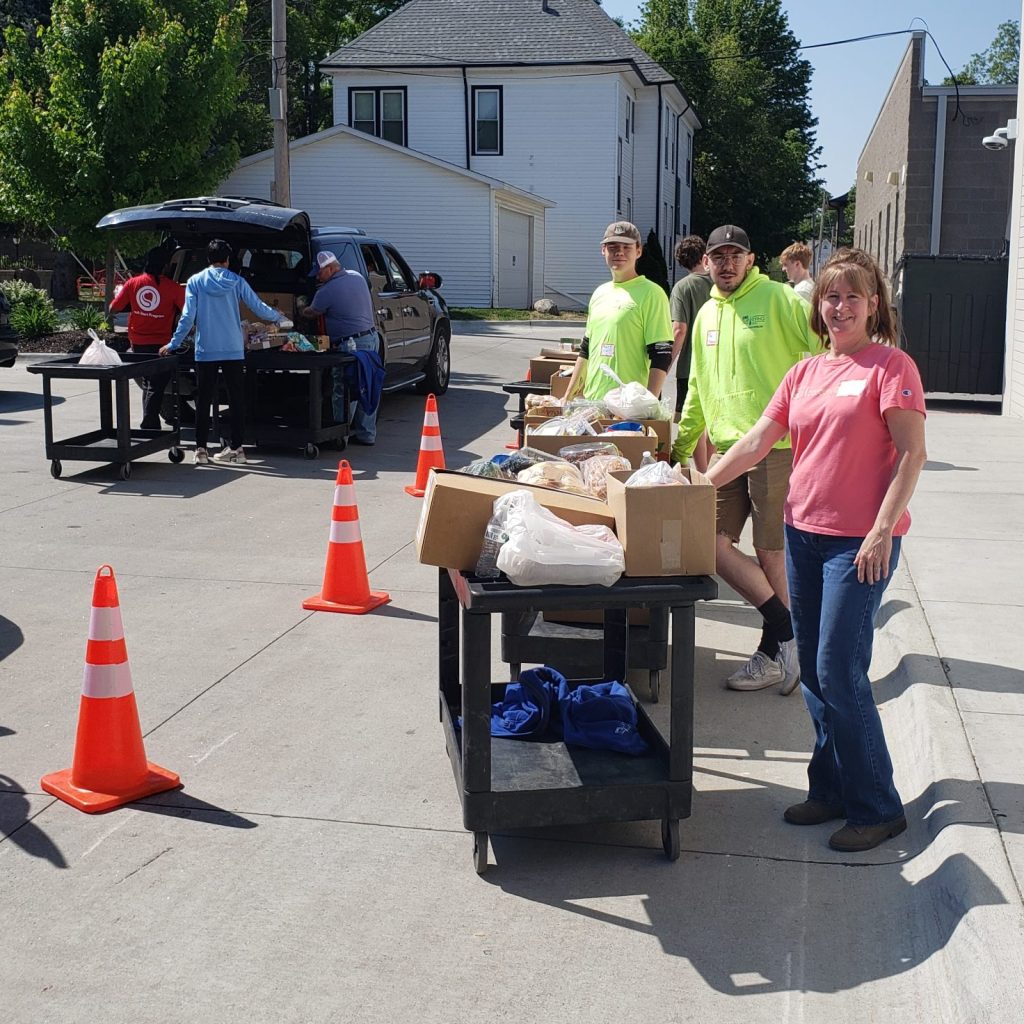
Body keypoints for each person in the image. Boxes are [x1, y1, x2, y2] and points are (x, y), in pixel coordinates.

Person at [705, 249, 926, 852]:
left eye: (853, 296)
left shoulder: (891, 366)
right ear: (818, 306)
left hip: (860, 544)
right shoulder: (804, 372)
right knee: (814, 674)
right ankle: (830, 789)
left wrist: (882, 529)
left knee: (838, 669)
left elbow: (911, 454)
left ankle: (878, 805)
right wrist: (699, 487)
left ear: (873, 303)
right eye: (831, 296)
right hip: (803, 534)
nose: (840, 306)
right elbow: (757, 440)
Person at [674, 225, 820, 694]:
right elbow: (697, 387)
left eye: (735, 255)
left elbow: (825, 351)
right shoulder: (707, 314)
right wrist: (679, 449)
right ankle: (786, 633)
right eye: (719, 256)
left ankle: (774, 653)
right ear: (707, 262)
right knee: (707, 542)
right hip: (725, 450)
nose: (727, 263)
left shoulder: (780, 299)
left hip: (776, 448)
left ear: (751, 258)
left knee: (770, 552)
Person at [159, 238, 291, 465]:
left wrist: (173, 343)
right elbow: (257, 306)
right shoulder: (237, 281)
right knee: (236, 399)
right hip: (232, 348)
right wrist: (280, 318)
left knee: (203, 399)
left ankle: (201, 449)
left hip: (206, 348)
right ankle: (237, 448)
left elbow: (188, 316)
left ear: (208, 259)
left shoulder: (195, 282)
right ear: (228, 260)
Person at [563, 221, 673, 403]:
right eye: (612, 246)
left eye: (626, 247)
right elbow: (586, 350)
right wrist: (567, 397)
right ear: (603, 251)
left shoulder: (652, 293)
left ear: (639, 251)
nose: (619, 252)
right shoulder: (599, 293)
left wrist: (647, 405)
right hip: (594, 401)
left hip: (630, 406)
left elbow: (661, 354)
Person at [299, 250, 381, 446]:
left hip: (349, 344)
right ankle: (366, 434)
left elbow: (311, 312)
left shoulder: (327, 290)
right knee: (367, 385)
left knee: (343, 388)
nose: (317, 277)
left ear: (329, 269)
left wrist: (300, 307)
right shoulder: (357, 276)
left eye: (319, 273)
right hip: (370, 339)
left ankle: (339, 434)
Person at [109, 248, 185, 430]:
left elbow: (113, 308)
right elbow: (188, 312)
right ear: (166, 266)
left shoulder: (133, 283)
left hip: (138, 343)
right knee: (155, 385)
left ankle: (150, 423)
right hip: (163, 344)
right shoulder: (173, 287)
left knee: (149, 383)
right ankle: (149, 424)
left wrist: (132, 303)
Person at [668, 234, 713, 471]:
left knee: (691, 422)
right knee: (711, 420)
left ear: (681, 261)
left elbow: (679, 330)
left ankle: (703, 472)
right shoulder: (720, 283)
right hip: (720, 363)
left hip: (691, 365)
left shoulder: (682, 288)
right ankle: (708, 468)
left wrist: (667, 364)